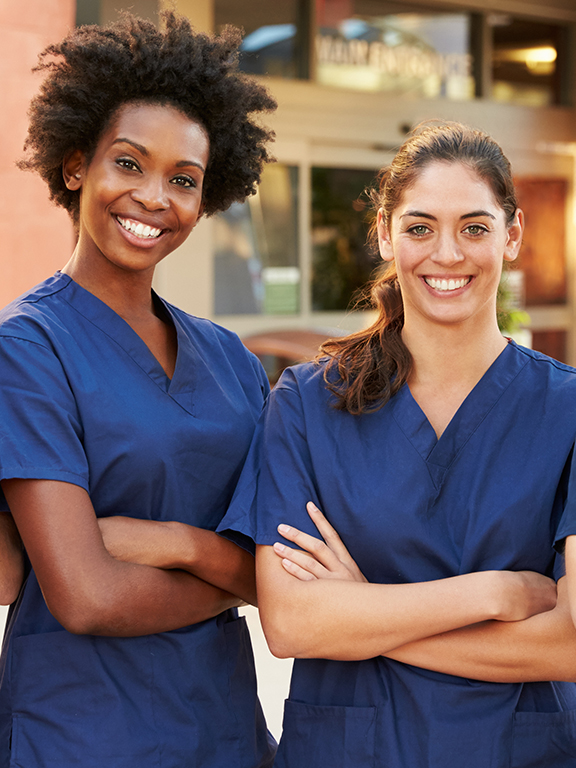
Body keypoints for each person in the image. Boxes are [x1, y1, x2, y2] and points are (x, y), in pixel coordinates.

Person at [218, 122, 576, 767]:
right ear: (385, 233)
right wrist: (491, 594)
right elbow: (291, 624)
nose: (447, 253)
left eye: (475, 227)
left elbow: (570, 644)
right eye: (420, 227)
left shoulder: (567, 410)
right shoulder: (306, 404)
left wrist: (359, 615)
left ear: (512, 234)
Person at [0, 12, 277, 767]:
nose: (155, 198)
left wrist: (177, 543)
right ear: (75, 166)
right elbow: (86, 597)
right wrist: (233, 580)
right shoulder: (27, 348)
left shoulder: (230, 360)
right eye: (129, 163)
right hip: (83, 734)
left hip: (224, 731)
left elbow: (276, 570)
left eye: (183, 180)